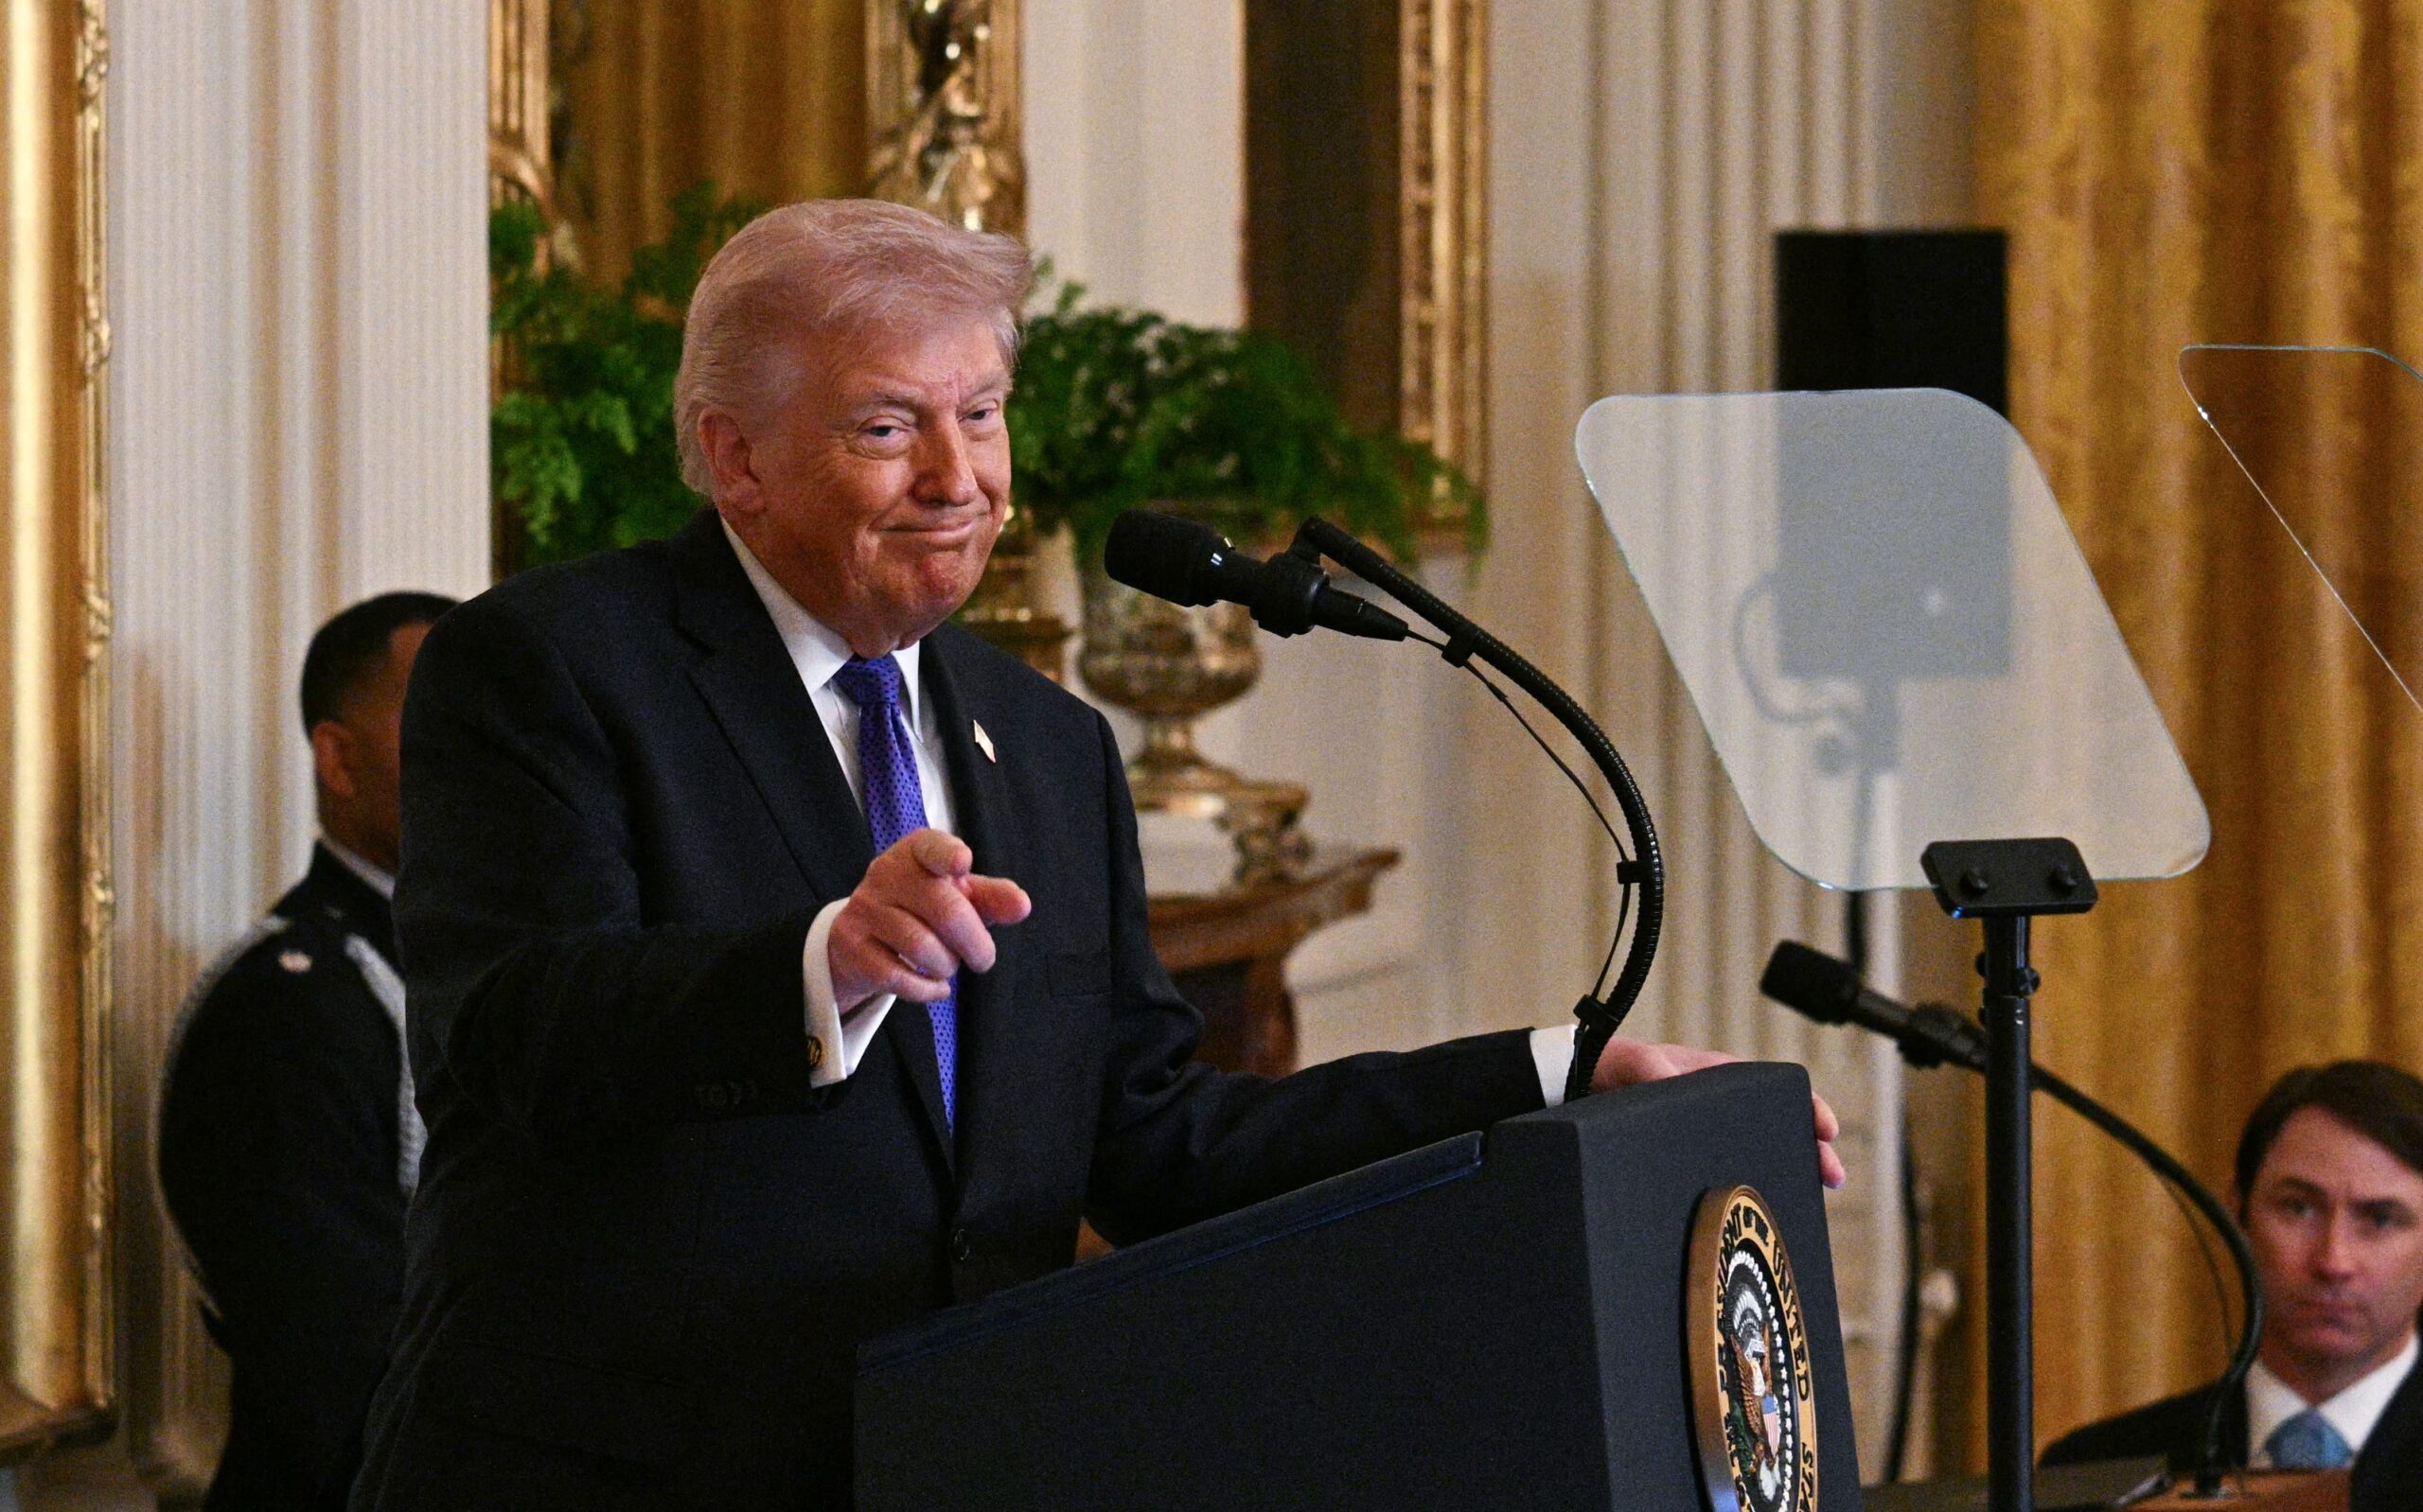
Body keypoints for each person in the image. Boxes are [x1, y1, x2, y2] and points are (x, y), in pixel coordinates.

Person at [346, 199, 1843, 1511]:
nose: (961, 476)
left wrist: (1555, 1078)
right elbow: (508, 1033)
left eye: (983, 413)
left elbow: (1161, 1142)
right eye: (888, 428)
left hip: (948, 1464)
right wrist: (819, 965)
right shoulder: (550, 666)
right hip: (614, 1475)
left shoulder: (1045, 743)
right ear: (736, 458)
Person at [158, 590, 457, 1512]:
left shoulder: (499, 968)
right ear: (339, 757)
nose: (486, 759)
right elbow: (338, 1367)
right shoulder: (285, 1006)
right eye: (444, 724)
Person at [2043, 1060, 2423, 1507]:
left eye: (2380, 1219)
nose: (2333, 1261)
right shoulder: (2092, 1470)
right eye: (2298, 1208)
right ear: (2236, 1216)